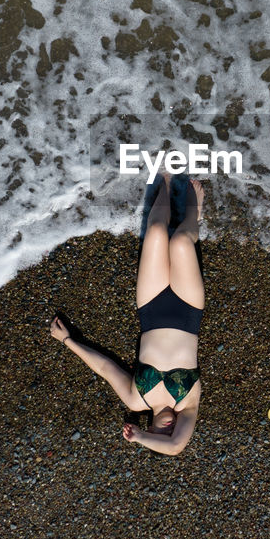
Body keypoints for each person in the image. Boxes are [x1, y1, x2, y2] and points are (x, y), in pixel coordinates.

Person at [50, 172, 205, 455]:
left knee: (157, 230)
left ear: (150, 427)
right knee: (181, 242)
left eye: (160, 432)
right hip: (188, 311)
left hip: (151, 308)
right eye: (171, 431)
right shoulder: (188, 404)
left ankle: (167, 182)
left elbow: (106, 368)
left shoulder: (137, 400)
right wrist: (145, 439)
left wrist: (68, 341)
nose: (169, 429)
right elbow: (174, 447)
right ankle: (196, 214)